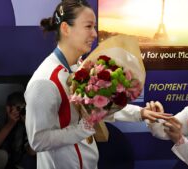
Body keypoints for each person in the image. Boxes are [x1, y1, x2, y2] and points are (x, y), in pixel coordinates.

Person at [24, 1, 170, 169]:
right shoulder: (45, 81)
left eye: (94, 27)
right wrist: (83, 129)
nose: (94, 34)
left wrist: (141, 113)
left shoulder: (78, 67)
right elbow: (37, 141)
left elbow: (98, 109)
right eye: (88, 26)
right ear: (65, 28)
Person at [0, 91, 36, 169]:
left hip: (17, 162)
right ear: (8, 108)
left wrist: (29, 126)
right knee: (2, 155)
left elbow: (32, 152)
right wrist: (11, 123)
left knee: (29, 161)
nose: (21, 112)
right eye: (18, 108)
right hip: (0, 160)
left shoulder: (23, 125)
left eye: (24, 109)